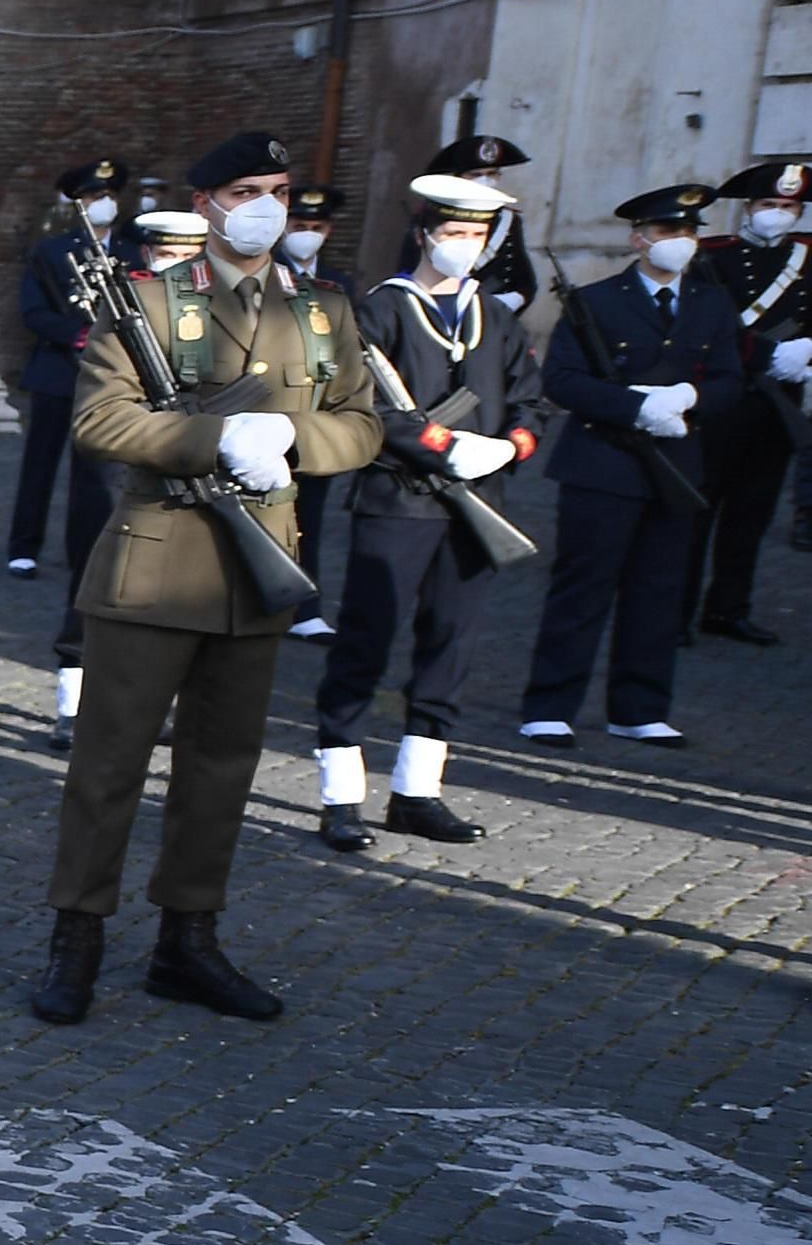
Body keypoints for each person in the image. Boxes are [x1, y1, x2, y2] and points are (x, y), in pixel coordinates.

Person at [29, 132, 380, 1028]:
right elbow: (102, 420)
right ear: (209, 204)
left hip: (259, 562)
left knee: (222, 768)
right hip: (155, 562)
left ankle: (189, 939)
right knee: (108, 766)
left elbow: (363, 423)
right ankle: (78, 939)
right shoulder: (148, 302)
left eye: (279, 186)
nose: (266, 204)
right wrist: (215, 438)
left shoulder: (323, 310)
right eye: (246, 190)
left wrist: (296, 442)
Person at [312, 173, 546, 853]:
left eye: (476, 236)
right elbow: (366, 404)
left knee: (451, 643)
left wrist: (504, 447)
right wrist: (444, 447)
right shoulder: (381, 309)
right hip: (398, 499)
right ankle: (342, 793)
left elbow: (531, 398)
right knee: (366, 641)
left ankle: (417, 791)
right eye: (453, 234)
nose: (464, 247)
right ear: (423, 235)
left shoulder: (495, 316)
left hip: (477, 504)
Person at [515, 183, 739, 751]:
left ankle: (639, 707)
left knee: (658, 590)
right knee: (583, 589)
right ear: (638, 238)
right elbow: (562, 380)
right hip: (603, 462)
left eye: (688, 233)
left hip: (677, 463)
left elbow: (732, 380)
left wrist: (688, 397)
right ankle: (550, 705)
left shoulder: (711, 303)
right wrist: (636, 406)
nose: (680, 242)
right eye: (668, 232)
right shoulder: (596, 301)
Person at [687, 160, 812, 646]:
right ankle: (676, 612)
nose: (778, 214)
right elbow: (705, 324)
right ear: (748, 208)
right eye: (769, 205)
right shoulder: (713, 255)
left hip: (778, 403)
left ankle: (729, 608)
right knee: (699, 511)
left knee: (751, 514)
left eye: (788, 206)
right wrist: (767, 353)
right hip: (723, 398)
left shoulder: (807, 258)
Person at [7, 157, 131, 605]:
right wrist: (74, 334)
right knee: (40, 460)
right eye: (95, 197)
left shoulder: (131, 249)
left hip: (114, 376)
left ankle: (87, 546)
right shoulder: (53, 251)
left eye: (110, 196)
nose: (104, 204)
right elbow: (33, 309)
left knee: (98, 471)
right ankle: (24, 546)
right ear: (78, 204)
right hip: (60, 369)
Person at [278, 181, 359, 644]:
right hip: (271, 408)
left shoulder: (340, 284)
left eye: (316, 226)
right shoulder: (266, 273)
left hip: (318, 415)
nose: (307, 233)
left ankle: (305, 606)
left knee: (310, 516)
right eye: (299, 225)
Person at [405, 135, 537, 314]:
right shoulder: (433, 216)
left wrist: (515, 299)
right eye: (476, 175)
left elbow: (524, 278)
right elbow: (411, 270)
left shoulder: (508, 221)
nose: (485, 181)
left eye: (492, 174)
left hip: (494, 317)